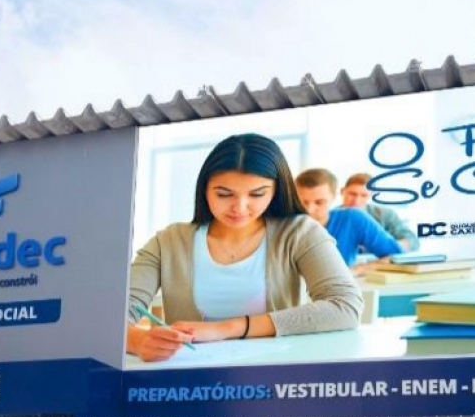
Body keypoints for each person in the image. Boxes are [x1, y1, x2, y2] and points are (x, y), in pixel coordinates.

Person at [127, 134, 362, 363]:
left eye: (257, 194)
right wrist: (138, 340)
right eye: (224, 194)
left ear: (276, 191)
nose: (239, 207)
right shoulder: (168, 241)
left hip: (274, 374)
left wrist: (226, 328)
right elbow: (115, 313)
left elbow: (345, 306)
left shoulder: (300, 232)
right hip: (191, 378)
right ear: (204, 189)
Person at [294, 168, 402, 267]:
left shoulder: (352, 218)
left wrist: (356, 271)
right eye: (302, 202)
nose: (309, 210)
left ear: (334, 197)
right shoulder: (287, 223)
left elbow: (397, 257)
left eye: (319, 202)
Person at [341, 172, 420, 251]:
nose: (356, 200)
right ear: (342, 191)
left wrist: (386, 246)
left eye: (364, 195)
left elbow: (412, 240)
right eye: (352, 194)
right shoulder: (333, 217)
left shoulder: (385, 215)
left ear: (371, 195)